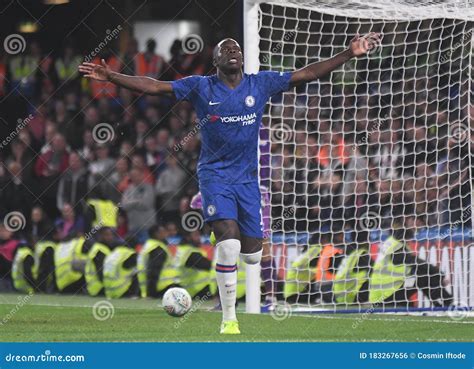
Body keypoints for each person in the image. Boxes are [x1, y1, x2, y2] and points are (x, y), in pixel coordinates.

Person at [79, 33, 380, 334]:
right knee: (230, 243)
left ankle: (218, 231)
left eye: (237, 48)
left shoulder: (259, 83)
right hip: (215, 175)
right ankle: (229, 319)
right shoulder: (202, 86)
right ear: (216, 61)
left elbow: (307, 73)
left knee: (251, 255)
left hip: (247, 180)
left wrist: (348, 53)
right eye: (227, 49)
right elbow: (155, 86)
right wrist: (113, 77)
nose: (234, 51)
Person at [137, 224, 179, 298]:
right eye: (163, 231)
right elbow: (153, 271)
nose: (166, 233)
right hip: (163, 287)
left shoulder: (148, 245)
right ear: (157, 234)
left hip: (156, 287)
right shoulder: (157, 248)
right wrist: (151, 293)